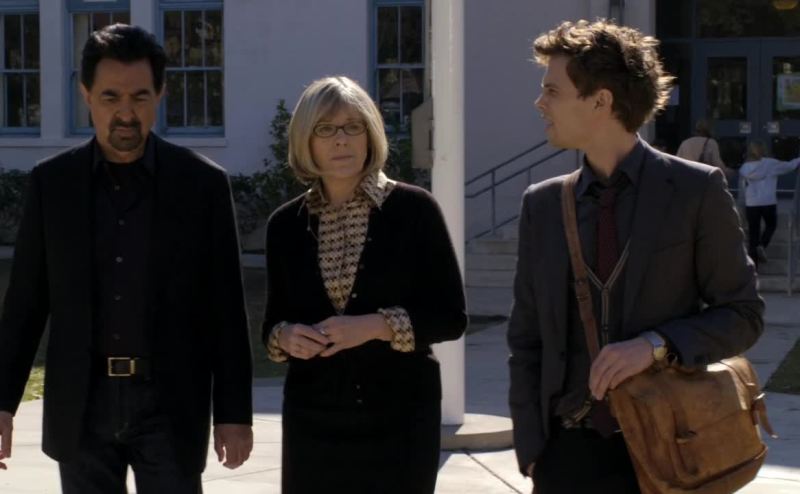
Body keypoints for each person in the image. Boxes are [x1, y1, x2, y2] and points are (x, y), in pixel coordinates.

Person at [508, 20, 764, 494]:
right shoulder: (542, 205)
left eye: (552, 91)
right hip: (567, 455)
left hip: (673, 447)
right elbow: (526, 338)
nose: (540, 103)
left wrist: (656, 344)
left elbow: (743, 315)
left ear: (601, 101)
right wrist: (533, 449)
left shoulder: (695, 190)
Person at [0, 24, 253, 493]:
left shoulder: (202, 186)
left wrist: (235, 414)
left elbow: (226, 310)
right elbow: (25, 304)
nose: (125, 113)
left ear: (160, 94)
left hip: (170, 404)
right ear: (86, 95)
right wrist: (2, 403)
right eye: (110, 97)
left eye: (139, 97)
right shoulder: (52, 185)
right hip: (82, 406)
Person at [262, 75, 467, 494]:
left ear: (370, 134)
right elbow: (272, 325)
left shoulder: (415, 210)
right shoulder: (285, 225)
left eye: (353, 126)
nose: (341, 140)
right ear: (305, 140)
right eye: (325, 129)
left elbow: (450, 317)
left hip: (400, 420)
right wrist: (285, 336)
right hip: (313, 420)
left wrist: (375, 326)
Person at [739, 140, 800, 267]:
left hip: (752, 203)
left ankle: (753, 268)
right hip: (768, 201)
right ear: (764, 150)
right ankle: (762, 245)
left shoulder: (745, 168)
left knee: (753, 234)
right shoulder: (770, 164)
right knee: (771, 225)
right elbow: (789, 166)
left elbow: (743, 187)